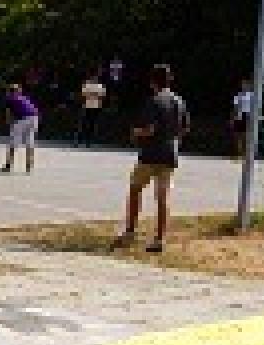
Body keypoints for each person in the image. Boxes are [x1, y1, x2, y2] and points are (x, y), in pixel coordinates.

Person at [114, 64, 190, 254]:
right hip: (170, 154)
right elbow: (185, 128)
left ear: (152, 81)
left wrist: (135, 132)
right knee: (163, 197)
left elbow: (150, 129)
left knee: (135, 189)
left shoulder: (154, 101)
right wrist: (173, 139)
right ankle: (159, 239)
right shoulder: (179, 101)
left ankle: (130, 231)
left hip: (150, 155)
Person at [2, 82, 40, 174]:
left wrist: (9, 123)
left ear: (10, 91)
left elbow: (8, 113)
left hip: (22, 119)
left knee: (13, 142)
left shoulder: (10, 98)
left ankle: (8, 166)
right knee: (29, 141)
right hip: (34, 117)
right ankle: (29, 166)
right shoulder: (24, 98)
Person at [77, 70, 107, 147]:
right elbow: (83, 95)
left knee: (91, 124)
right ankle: (80, 140)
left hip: (95, 106)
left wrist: (99, 104)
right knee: (84, 124)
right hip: (87, 106)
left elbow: (102, 97)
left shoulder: (99, 86)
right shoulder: (87, 85)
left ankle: (88, 141)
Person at [230, 78, 255, 160]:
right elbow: (235, 108)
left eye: (246, 84)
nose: (244, 86)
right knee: (238, 136)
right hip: (239, 116)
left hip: (248, 116)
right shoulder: (238, 95)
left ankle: (246, 154)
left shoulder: (253, 95)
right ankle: (239, 154)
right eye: (243, 84)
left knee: (246, 136)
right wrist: (232, 118)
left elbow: (255, 107)